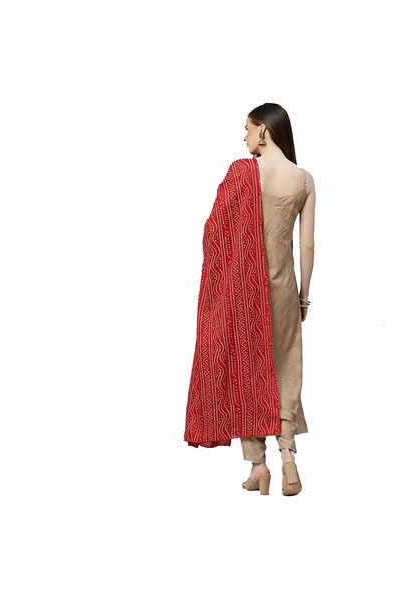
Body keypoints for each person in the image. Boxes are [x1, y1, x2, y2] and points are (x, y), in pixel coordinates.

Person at [184, 103, 316, 497]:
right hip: (284, 288)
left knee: (250, 370)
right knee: (286, 366)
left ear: (263, 130)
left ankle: (259, 465)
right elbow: (307, 245)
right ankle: (288, 457)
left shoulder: (242, 174)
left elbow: (214, 231)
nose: (244, 137)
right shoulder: (304, 179)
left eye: (247, 128)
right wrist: (304, 297)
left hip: (246, 289)